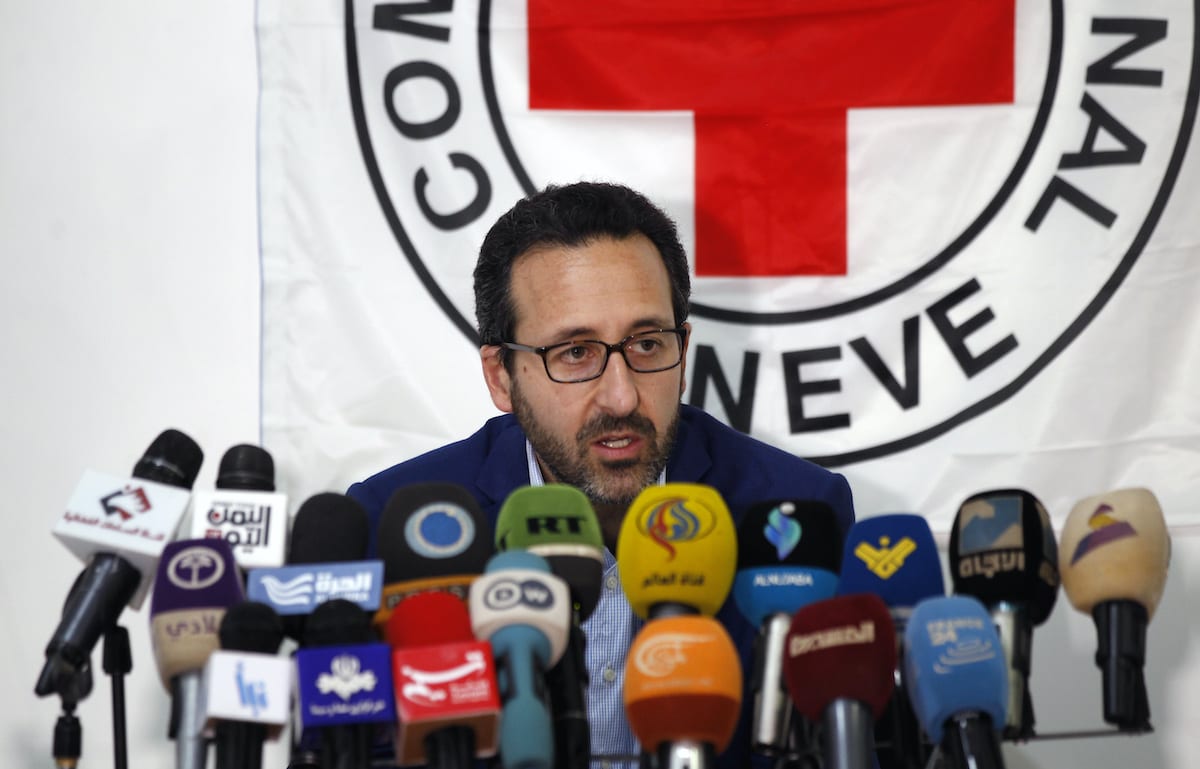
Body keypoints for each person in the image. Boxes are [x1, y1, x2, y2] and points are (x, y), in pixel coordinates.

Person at [348, 181, 855, 768]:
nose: (620, 396)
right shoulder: (394, 527)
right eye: (575, 353)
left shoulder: (798, 511)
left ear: (683, 352)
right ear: (501, 377)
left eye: (646, 343)